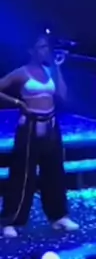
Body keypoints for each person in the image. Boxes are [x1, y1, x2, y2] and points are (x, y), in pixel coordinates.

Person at [0, 32, 78, 238]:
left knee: (54, 172)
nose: (46, 51)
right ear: (31, 51)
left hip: (51, 126)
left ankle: (58, 216)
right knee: (23, 174)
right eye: (42, 47)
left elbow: (63, 95)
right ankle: (11, 220)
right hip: (29, 127)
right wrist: (17, 103)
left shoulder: (50, 71)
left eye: (46, 47)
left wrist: (58, 68)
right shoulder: (21, 72)